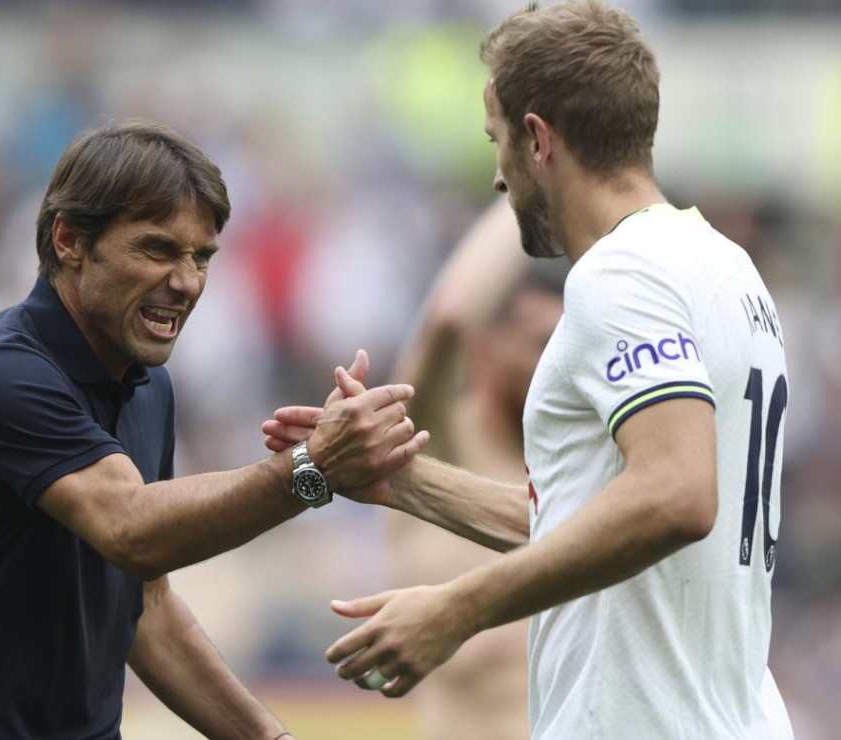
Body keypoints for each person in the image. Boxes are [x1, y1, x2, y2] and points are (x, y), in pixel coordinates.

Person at [264, 3, 795, 738]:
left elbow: (675, 496)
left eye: (497, 141)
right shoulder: (725, 269)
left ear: (539, 139)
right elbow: (603, 522)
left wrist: (457, 608)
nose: (497, 177)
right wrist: (403, 481)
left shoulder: (623, 275)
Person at [0, 121, 429, 739]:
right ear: (70, 239)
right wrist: (315, 468)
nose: (187, 282)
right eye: (158, 249)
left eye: (202, 255)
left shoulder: (149, 387)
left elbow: (145, 606)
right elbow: (132, 531)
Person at [380, 199, 560, 740]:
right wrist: (540, 181)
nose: (551, 363)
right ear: (489, 344)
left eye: (564, 344)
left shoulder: (584, 470)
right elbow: (451, 317)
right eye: (537, 342)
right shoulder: (434, 445)